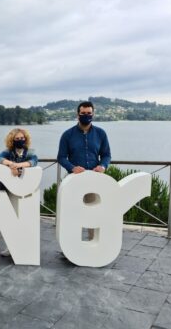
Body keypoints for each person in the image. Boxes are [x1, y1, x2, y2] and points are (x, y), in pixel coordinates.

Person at [57, 100, 111, 240]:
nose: (86, 115)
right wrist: (72, 167)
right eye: (83, 113)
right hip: (73, 181)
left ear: (93, 114)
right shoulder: (67, 135)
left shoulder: (101, 134)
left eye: (89, 113)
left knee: (92, 214)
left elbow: (106, 155)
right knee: (71, 214)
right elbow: (61, 157)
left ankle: (93, 244)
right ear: (78, 114)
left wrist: (103, 166)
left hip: (93, 181)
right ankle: (69, 246)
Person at [0, 128, 38, 258]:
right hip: (7, 189)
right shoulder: (8, 152)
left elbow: (34, 161)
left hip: (24, 190)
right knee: (9, 219)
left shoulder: (30, 152)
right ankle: (10, 246)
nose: (20, 140)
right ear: (12, 140)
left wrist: (19, 166)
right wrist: (11, 164)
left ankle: (22, 245)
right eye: (17, 139)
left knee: (21, 218)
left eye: (22, 138)